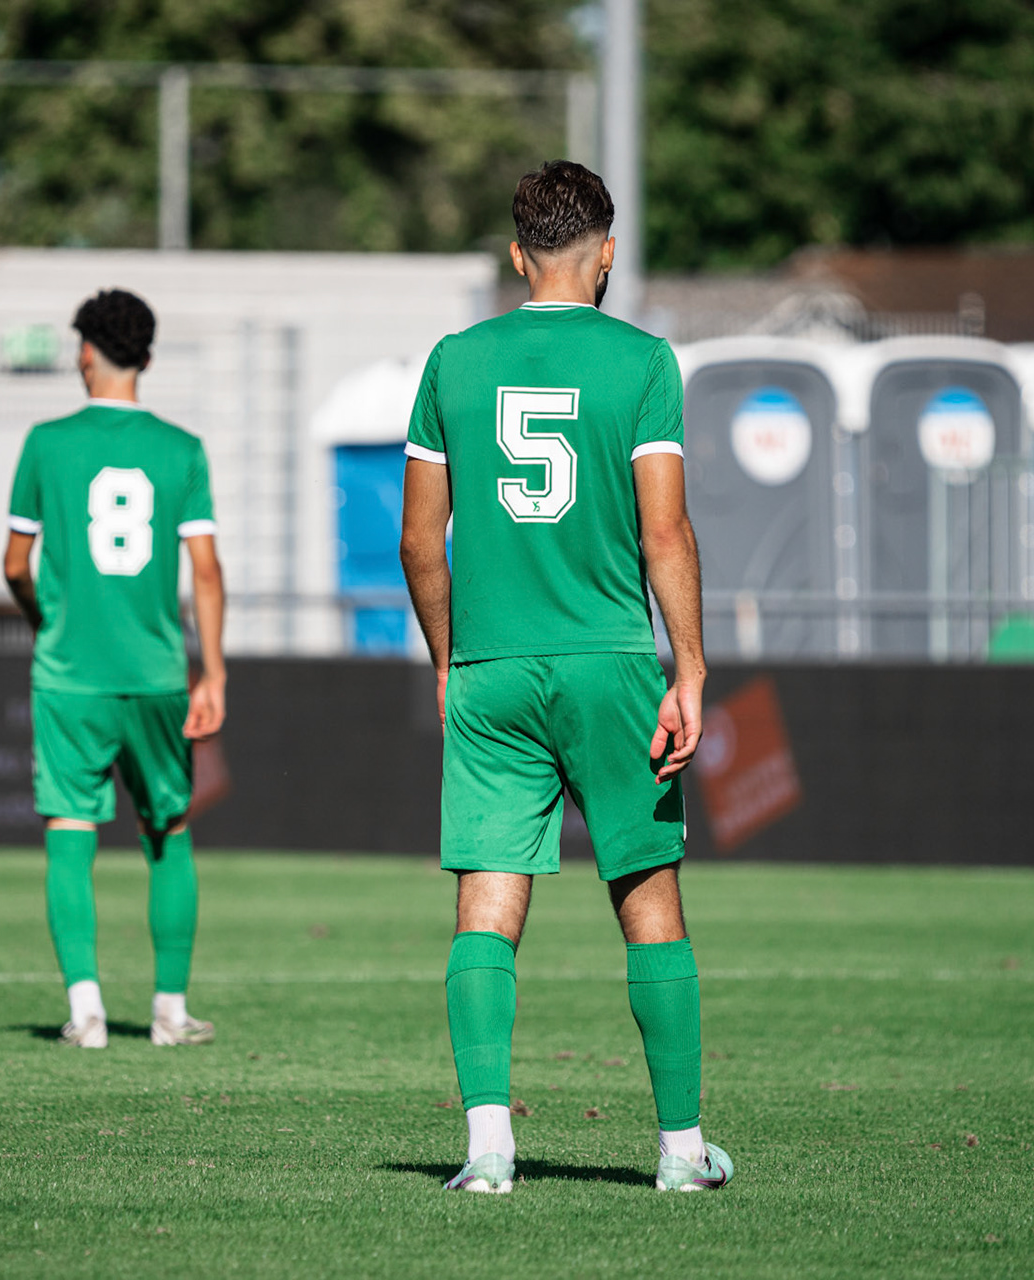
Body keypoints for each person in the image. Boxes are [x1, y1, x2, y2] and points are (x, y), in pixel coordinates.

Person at [400, 161, 730, 1194]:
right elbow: (665, 532)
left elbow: (417, 541)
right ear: (608, 253)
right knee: (648, 898)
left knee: (485, 909)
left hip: (493, 669)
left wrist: (449, 659)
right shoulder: (643, 361)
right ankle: (682, 1153)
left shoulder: (453, 360)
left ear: (516, 255)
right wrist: (690, 667)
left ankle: (488, 1147)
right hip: (611, 665)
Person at [2, 289, 226, 1048]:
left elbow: (14, 563)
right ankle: (170, 1012)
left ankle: (87, 1011)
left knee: (70, 830)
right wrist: (213, 673)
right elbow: (206, 572)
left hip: (69, 674)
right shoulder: (182, 449)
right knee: (168, 830)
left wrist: (45, 619)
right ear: (148, 359)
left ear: (86, 353)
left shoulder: (46, 443)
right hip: (157, 673)